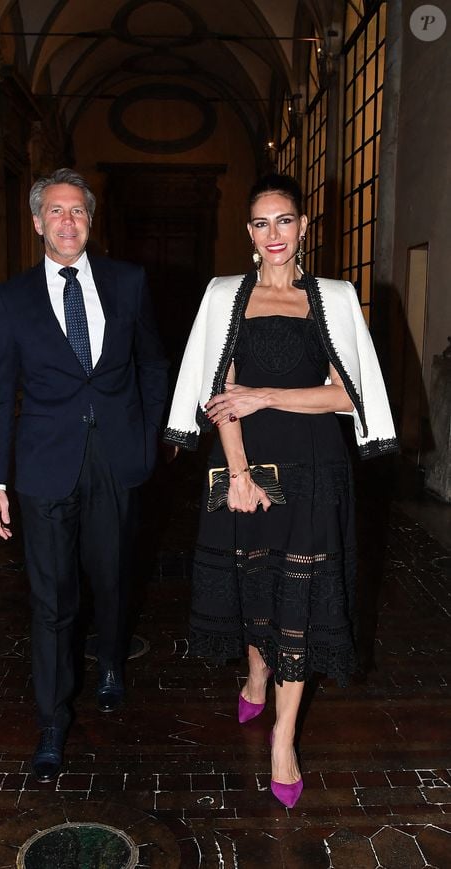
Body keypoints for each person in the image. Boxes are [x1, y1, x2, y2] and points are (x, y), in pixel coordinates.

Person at [164, 173, 397, 809]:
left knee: (302, 596)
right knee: (253, 581)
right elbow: (219, 389)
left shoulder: (335, 297)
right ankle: (257, 673)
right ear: (249, 231)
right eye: (262, 223)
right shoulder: (223, 297)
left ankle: (283, 741)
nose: (274, 235)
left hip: (318, 468)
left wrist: (267, 395)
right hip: (244, 460)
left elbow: (348, 396)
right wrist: (237, 473)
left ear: (302, 227)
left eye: (285, 221)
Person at [0, 168, 168, 783]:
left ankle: (111, 662)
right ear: (37, 222)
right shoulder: (12, 299)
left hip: (115, 458)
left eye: (78, 212)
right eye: (56, 212)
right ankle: (52, 721)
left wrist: (148, 440)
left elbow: (152, 364)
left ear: (91, 220)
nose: (67, 222)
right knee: (51, 600)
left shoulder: (128, 282)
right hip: (43, 467)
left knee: (112, 578)